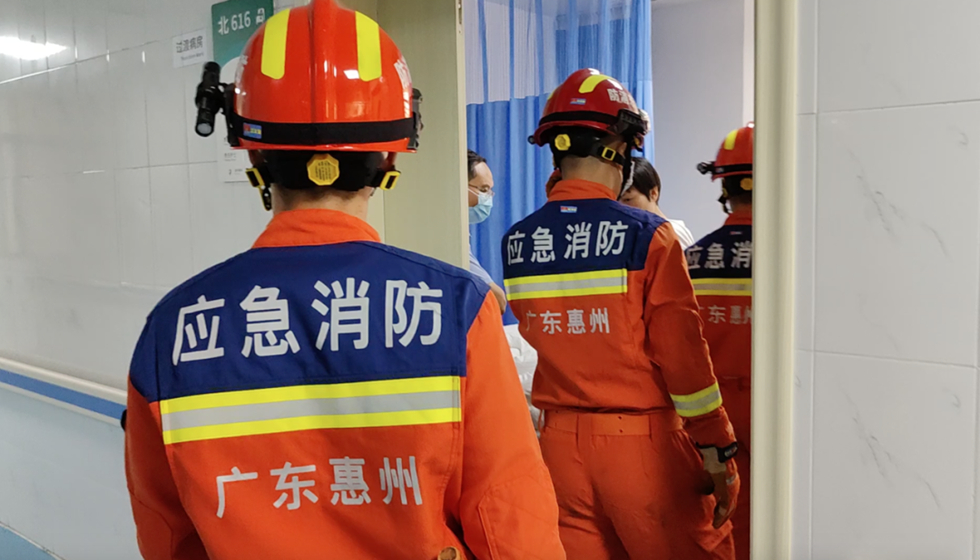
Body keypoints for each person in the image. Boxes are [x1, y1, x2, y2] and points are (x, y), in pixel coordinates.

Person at [123, 2, 565, 559]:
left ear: (253, 152)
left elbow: (167, 538)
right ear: (390, 158)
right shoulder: (456, 309)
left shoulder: (173, 331)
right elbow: (512, 524)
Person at [502, 68, 740, 560]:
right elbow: (684, 358)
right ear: (619, 147)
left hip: (560, 449)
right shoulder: (650, 237)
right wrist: (717, 446)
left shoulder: (519, 241)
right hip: (642, 450)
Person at [687, 123, 754, 560]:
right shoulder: (800, 255)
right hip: (780, 411)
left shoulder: (692, 258)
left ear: (724, 188)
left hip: (712, 415)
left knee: (726, 519)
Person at [619, 157, 696, 249]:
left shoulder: (672, 232)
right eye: (616, 201)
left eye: (628, 199)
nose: (620, 207)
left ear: (653, 193)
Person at [466, 150, 507, 313]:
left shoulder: (462, 231)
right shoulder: (445, 233)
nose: (488, 197)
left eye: (490, 190)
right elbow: (496, 299)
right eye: (483, 190)